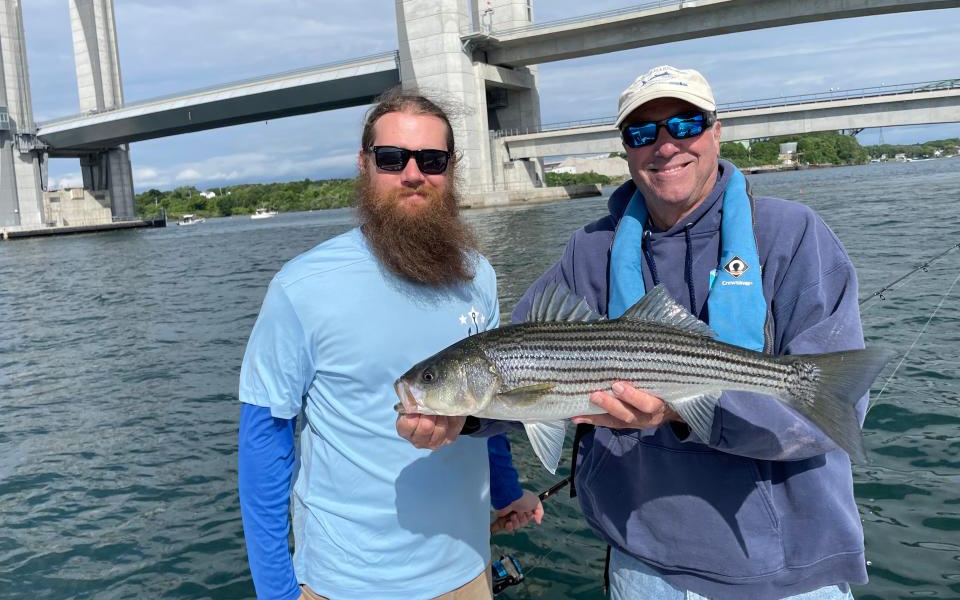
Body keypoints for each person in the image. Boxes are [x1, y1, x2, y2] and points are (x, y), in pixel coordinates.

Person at [509, 65, 869, 599]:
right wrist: (456, 415)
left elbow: (833, 413)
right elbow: (517, 367)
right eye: (641, 133)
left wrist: (679, 407)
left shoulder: (794, 234)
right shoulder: (588, 251)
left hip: (784, 572)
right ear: (626, 150)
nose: (664, 145)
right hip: (642, 564)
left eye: (685, 124)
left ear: (716, 131)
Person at [238, 89, 542, 600]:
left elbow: (492, 407)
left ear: (451, 169)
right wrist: (276, 592)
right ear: (364, 165)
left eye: (432, 160)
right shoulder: (302, 286)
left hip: (468, 569)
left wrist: (507, 494)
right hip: (346, 582)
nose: (413, 173)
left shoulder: (478, 276)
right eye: (392, 158)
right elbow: (264, 443)